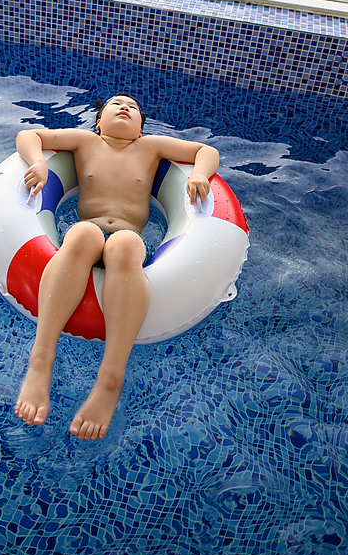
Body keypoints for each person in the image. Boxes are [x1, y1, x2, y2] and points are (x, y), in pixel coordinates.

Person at [14, 93, 220, 440]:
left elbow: (206, 151)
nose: (125, 107)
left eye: (133, 108)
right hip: (89, 231)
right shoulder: (84, 141)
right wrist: (38, 162)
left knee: (123, 244)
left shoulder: (150, 147)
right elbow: (29, 135)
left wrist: (199, 174)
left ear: (140, 129)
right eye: (116, 104)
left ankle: (110, 378)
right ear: (99, 122)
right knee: (81, 234)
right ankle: (41, 359)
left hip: (128, 237)